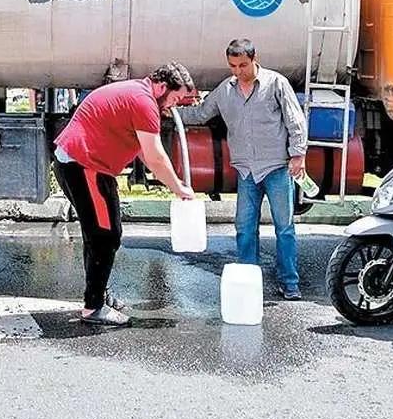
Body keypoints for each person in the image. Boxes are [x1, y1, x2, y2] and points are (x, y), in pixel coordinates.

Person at [53, 63, 197, 327]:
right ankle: (93, 306)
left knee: (102, 233)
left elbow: (144, 151)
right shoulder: (144, 102)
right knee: (104, 236)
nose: (173, 106)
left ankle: (99, 294)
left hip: (85, 165)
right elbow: (154, 156)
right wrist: (178, 188)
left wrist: (173, 184)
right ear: (162, 87)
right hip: (84, 165)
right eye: (175, 98)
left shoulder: (139, 94)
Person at [177, 39, 308, 300]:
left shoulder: (276, 83)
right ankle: (249, 280)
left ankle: (290, 283)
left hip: (276, 168)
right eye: (233, 66)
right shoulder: (225, 90)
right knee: (244, 228)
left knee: (285, 227)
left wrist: (298, 155)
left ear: (254, 59)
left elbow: (295, 120)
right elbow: (202, 113)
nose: (237, 71)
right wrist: (170, 113)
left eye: (243, 65)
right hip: (246, 170)